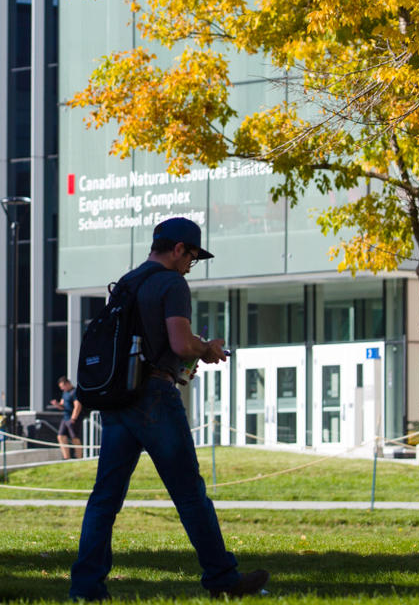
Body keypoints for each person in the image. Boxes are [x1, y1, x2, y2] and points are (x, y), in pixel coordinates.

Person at [70, 217, 269, 601]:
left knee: (105, 498)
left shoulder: (127, 282)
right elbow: (179, 343)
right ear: (179, 248)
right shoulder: (171, 282)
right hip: (154, 397)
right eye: (192, 257)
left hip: (118, 399)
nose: (190, 265)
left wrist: (188, 350)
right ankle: (223, 580)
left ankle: (86, 589)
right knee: (190, 494)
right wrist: (207, 347)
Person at [49, 377, 83, 459]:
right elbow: (62, 406)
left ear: (67, 384)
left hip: (73, 419)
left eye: (62, 386)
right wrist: (57, 404)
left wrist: (73, 418)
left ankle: (79, 457)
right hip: (65, 418)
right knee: (61, 436)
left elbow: (77, 406)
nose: (62, 388)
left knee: (74, 438)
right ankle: (66, 457)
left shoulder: (74, 392)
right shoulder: (65, 393)